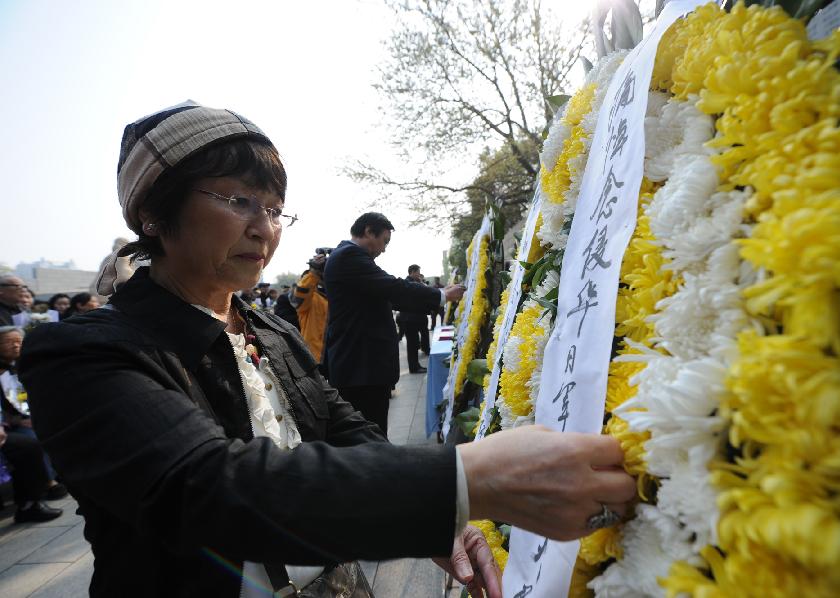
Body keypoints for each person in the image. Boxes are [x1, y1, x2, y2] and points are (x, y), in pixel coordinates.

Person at [19, 103, 635, 597]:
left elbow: (338, 422)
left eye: (275, 208)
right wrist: (463, 478)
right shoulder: (83, 354)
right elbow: (205, 487)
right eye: (237, 201)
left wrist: (436, 520)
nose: (263, 227)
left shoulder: (265, 328)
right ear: (153, 214)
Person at [324, 214, 466, 433]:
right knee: (369, 435)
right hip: (360, 369)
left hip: (362, 368)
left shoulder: (349, 257)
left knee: (372, 432)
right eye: (384, 241)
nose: (384, 249)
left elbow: (391, 295)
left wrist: (437, 294)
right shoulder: (349, 256)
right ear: (369, 231)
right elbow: (393, 287)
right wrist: (440, 296)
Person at [0, 326, 68, 518]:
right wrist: (15, 420)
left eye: (18, 341)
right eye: (7, 342)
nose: (15, 345)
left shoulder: (28, 362)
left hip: (27, 416)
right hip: (11, 424)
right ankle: (34, 499)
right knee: (29, 443)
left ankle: (63, 474)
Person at [294, 254, 329, 363]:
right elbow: (302, 290)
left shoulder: (338, 296)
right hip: (314, 358)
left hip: (336, 357)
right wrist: (313, 272)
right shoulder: (311, 299)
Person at [396, 264, 430, 373]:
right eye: (418, 272)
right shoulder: (408, 283)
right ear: (412, 272)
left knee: (414, 343)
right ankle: (414, 367)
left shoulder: (415, 282)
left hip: (414, 318)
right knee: (412, 344)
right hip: (409, 319)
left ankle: (415, 365)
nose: (419, 274)